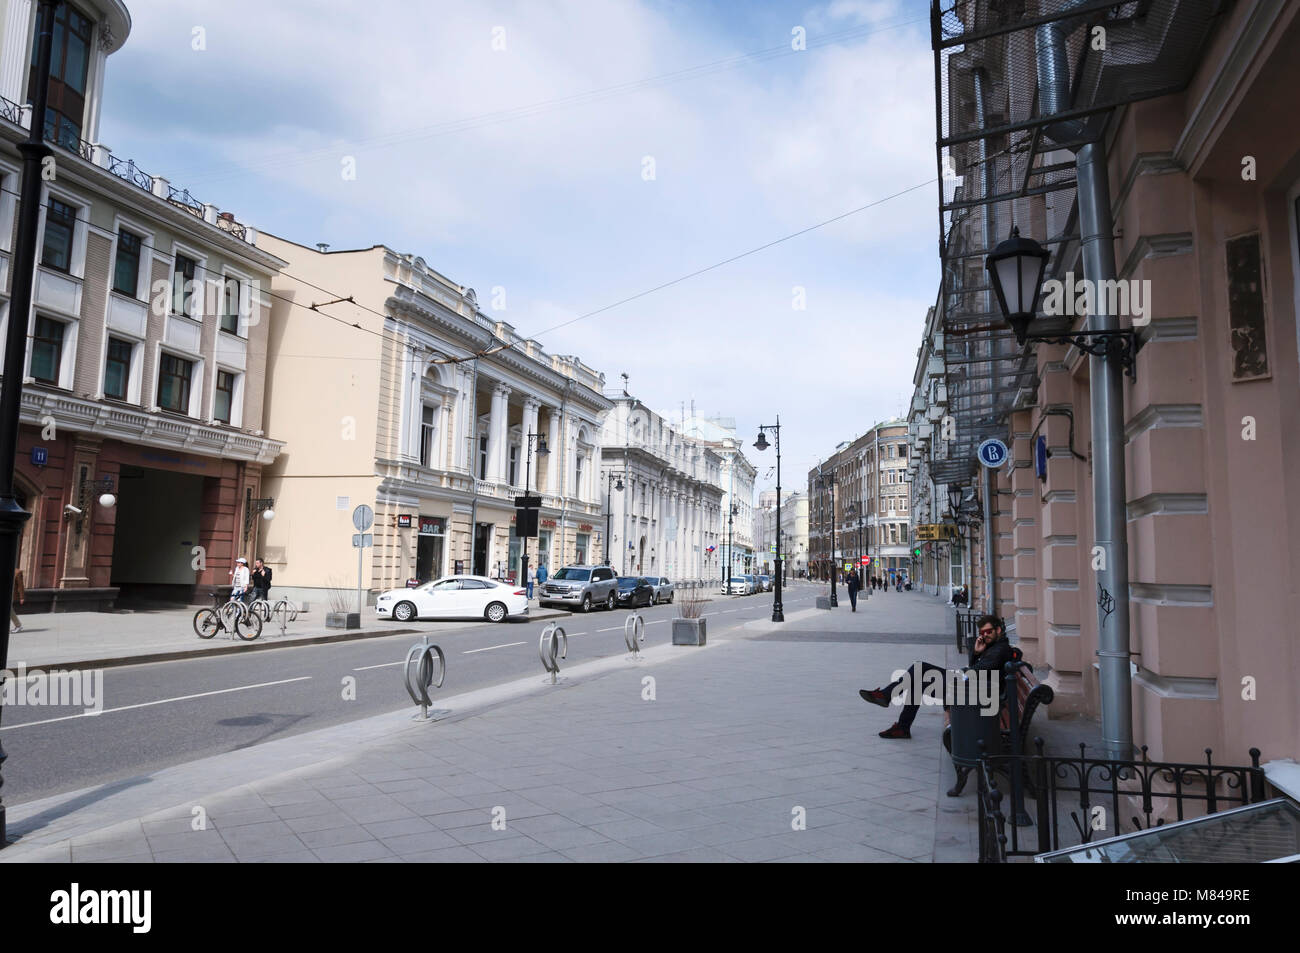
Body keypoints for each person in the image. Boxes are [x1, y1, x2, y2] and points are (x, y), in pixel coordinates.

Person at [859, 615, 1014, 739]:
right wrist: (977, 653)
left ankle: (888, 699)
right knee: (917, 681)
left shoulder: (1001, 649)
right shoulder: (995, 647)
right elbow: (979, 670)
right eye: (982, 633)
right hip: (972, 688)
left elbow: (976, 671)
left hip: (975, 693)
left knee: (920, 668)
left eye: (988, 632)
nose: (984, 636)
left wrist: (962, 670)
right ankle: (901, 726)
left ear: (998, 630)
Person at [11, 567, 24, 633]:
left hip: (11, 594)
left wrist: (22, 597)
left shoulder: (18, 572)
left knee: (9, 610)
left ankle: (18, 625)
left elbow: (21, 586)